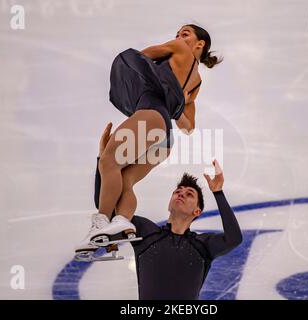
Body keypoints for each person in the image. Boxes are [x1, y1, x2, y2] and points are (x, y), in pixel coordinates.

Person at [81, 24, 223, 245]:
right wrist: (179, 102)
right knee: (126, 180)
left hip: (151, 115)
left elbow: (141, 60)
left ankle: (100, 224)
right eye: (177, 35)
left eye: (185, 34)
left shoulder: (178, 48)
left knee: (109, 161)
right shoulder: (196, 83)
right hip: (166, 138)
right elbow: (188, 127)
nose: (178, 37)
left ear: (199, 44)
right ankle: (121, 222)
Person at [79, 123, 242, 299]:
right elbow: (105, 206)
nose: (181, 194)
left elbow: (234, 238)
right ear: (169, 203)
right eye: (178, 191)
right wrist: (103, 161)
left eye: (189, 194)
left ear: (197, 211)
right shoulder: (146, 233)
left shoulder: (202, 245)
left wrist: (218, 192)